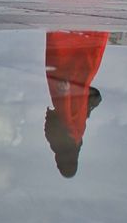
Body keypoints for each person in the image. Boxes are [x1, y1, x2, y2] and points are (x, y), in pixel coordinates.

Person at [43, 31, 109, 178]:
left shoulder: (76, 141)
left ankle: (81, 35)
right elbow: (55, 119)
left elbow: (72, 117)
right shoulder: (58, 142)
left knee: (82, 60)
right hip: (64, 94)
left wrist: (90, 103)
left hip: (73, 94)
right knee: (64, 58)